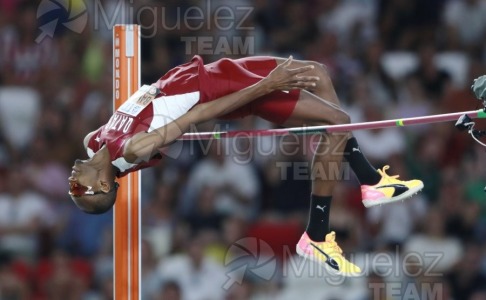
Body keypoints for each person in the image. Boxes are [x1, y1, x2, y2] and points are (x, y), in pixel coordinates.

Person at [68, 55, 423, 276]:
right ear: (101, 185)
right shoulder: (131, 149)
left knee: (318, 75)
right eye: (77, 190)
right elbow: (201, 114)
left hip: (206, 73)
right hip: (217, 89)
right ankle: (321, 229)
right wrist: (268, 85)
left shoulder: (92, 141)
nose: (71, 182)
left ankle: (363, 186)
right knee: (338, 119)